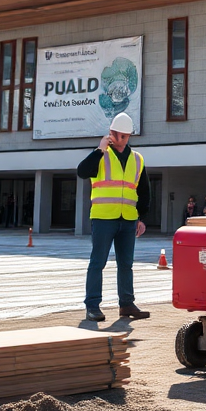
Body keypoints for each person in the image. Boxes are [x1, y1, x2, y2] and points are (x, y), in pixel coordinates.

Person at [77, 112, 151, 322]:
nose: (120, 140)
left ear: (128, 137)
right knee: (97, 262)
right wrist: (100, 149)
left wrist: (142, 217)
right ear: (110, 133)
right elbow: (82, 172)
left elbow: (144, 190)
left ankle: (126, 304)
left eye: (124, 137)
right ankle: (92, 305)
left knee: (126, 264)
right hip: (103, 218)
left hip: (128, 219)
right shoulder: (100, 155)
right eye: (116, 135)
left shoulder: (137, 159)